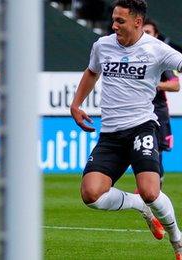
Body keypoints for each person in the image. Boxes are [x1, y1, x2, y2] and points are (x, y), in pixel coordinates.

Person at [70, 0, 182, 258]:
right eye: (113, 19)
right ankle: (138, 206)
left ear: (137, 22)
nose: (114, 25)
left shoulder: (157, 49)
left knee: (151, 190)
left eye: (120, 21)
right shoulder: (103, 45)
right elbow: (91, 72)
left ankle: (177, 238)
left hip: (142, 127)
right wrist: (76, 104)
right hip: (110, 134)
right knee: (91, 194)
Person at [143, 18, 180, 181]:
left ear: (156, 35)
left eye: (149, 32)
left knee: (156, 154)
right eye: (143, 32)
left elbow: (175, 85)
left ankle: (153, 191)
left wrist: (155, 85)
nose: (145, 35)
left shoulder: (161, 57)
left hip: (157, 113)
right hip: (137, 113)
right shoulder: (132, 56)